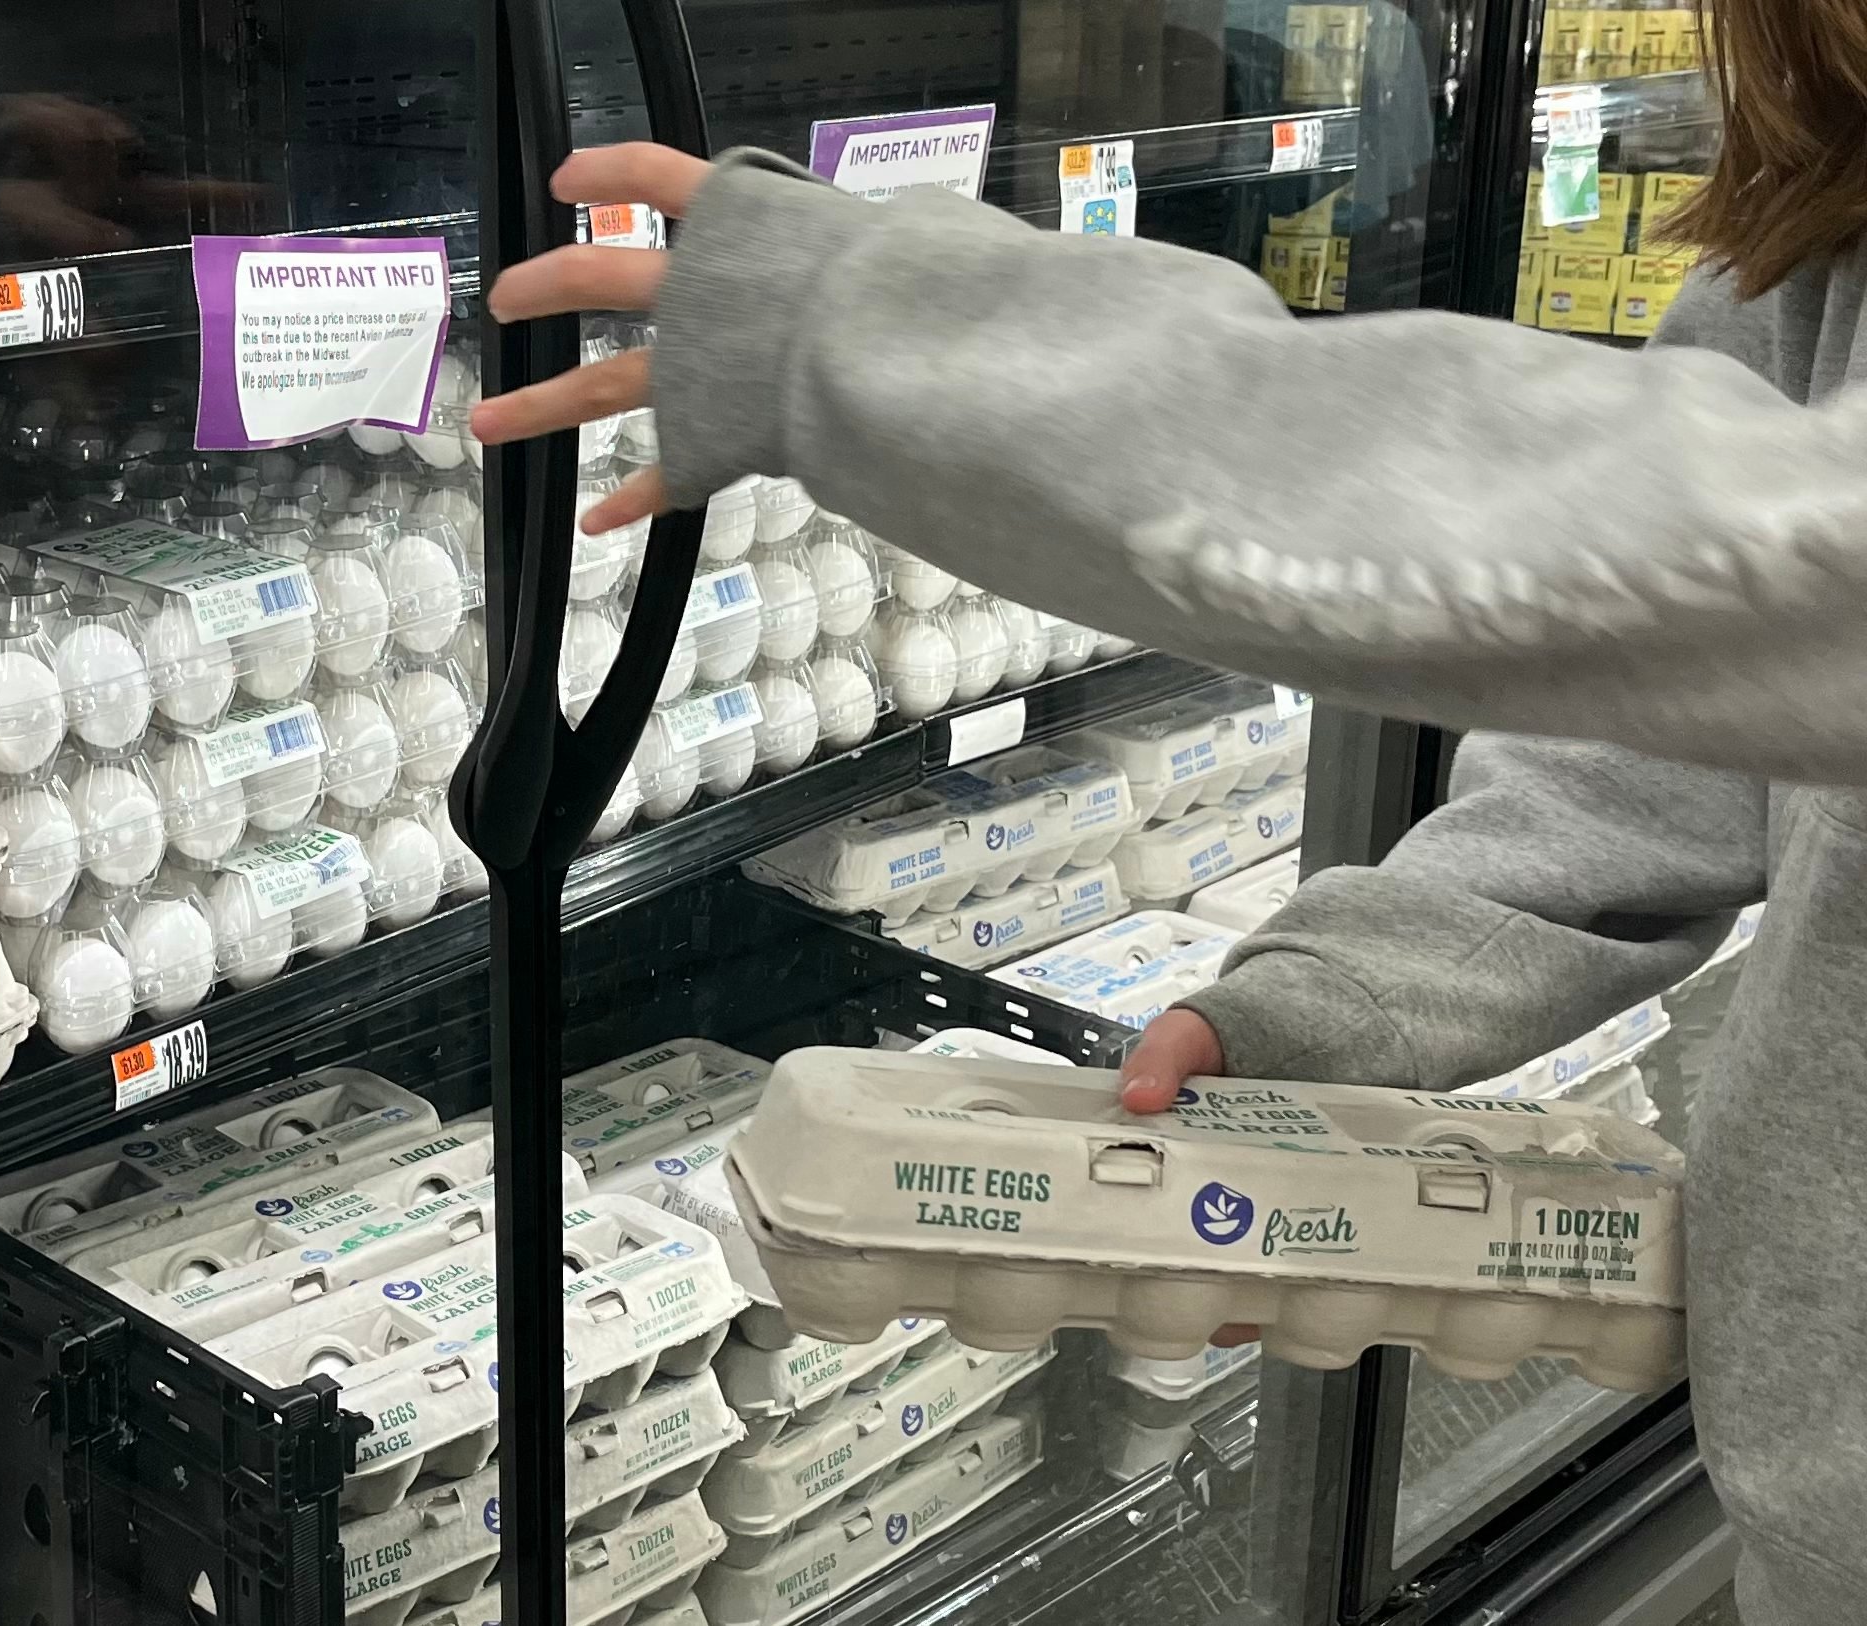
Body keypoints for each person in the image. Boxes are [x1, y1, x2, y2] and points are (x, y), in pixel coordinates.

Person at [467, 34, 1867, 1617]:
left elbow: (1702, 564)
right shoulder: (1839, 204)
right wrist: (1332, 1009)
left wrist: (875, 338)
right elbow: (1652, 754)